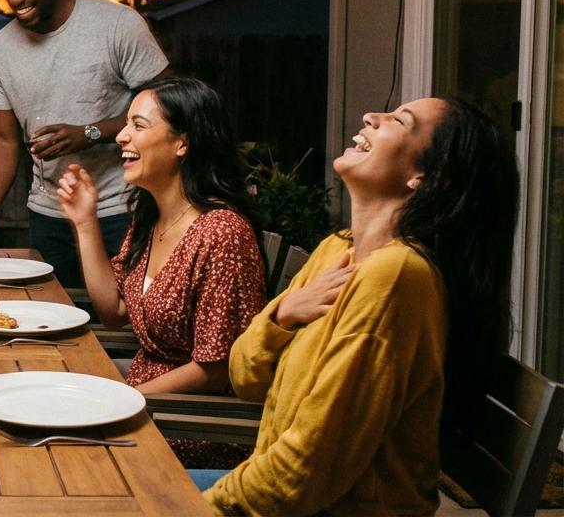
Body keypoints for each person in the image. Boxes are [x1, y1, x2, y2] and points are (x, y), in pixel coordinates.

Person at [203, 97, 517, 514]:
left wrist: (192, 508)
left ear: (425, 178)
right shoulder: (338, 250)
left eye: (400, 121)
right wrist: (283, 315)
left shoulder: (397, 276)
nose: (371, 116)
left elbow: (304, 474)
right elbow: (245, 377)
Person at [55, 77, 265, 468]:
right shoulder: (152, 216)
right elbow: (114, 312)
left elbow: (215, 371)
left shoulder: (221, 233)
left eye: (138, 125)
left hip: (192, 424)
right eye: (126, 124)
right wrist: (84, 222)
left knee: (61, 457)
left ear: (182, 143)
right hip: (144, 403)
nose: (121, 136)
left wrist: (121, 402)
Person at [0, 0, 168, 287]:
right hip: (48, 213)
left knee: (121, 312)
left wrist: (90, 133)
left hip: (119, 209)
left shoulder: (116, 26)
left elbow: (168, 104)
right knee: (51, 310)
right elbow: (4, 140)